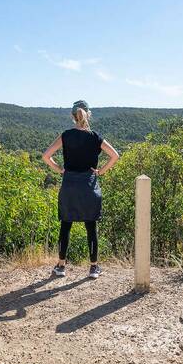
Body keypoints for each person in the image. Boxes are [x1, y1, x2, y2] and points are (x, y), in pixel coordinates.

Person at [42, 100, 120, 279]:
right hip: (88, 186)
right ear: (88, 115)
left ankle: (61, 266)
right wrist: (100, 171)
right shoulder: (95, 137)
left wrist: (60, 169)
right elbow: (115, 155)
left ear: (73, 116)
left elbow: (46, 156)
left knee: (65, 225)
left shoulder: (66, 135)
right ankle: (94, 268)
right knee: (91, 226)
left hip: (69, 185)